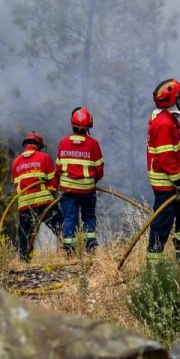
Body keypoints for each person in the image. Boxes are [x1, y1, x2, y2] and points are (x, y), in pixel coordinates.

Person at [145, 78, 180, 260]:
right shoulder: (164, 124)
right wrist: (178, 181)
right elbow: (165, 158)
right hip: (167, 184)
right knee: (162, 223)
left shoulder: (166, 120)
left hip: (171, 182)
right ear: (172, 99)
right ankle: (154, 268)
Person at [56, 106, 105, 253]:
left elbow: (58, 168)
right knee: (89, 215)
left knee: (70, 217)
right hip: (86, 189)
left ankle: (69, 247)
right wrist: (93, 181)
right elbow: (99, 169)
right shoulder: (93, 144)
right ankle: (90, 243)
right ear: (89, 126)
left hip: (67, 189)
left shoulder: (63, 143)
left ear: (72, 124)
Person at [10, 131, 61, 259]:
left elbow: (17, 187)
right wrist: (52, 194)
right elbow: (53, 182)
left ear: (25, 145)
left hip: (25, 205)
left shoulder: (15, 162)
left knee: (25, 234)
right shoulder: (44, 157)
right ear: (38, 145)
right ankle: (71, 251)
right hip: (43, 202)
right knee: (60, 228)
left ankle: (23, 259)